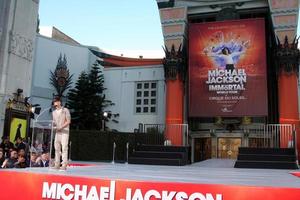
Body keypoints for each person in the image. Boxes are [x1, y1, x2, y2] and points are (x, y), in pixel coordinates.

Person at [52, 96, 71, 170]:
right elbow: (54, 122)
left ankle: (64, 164)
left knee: (64, 147)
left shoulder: (65, 110)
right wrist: (53, 126)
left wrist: (61, 127)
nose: (55, 103)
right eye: (54, 102)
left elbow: (68, 121)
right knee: (56, 147)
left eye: (56, 101)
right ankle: (57, 164)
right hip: (57, 132)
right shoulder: (53, 112)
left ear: (59, 102)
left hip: (64, 132)